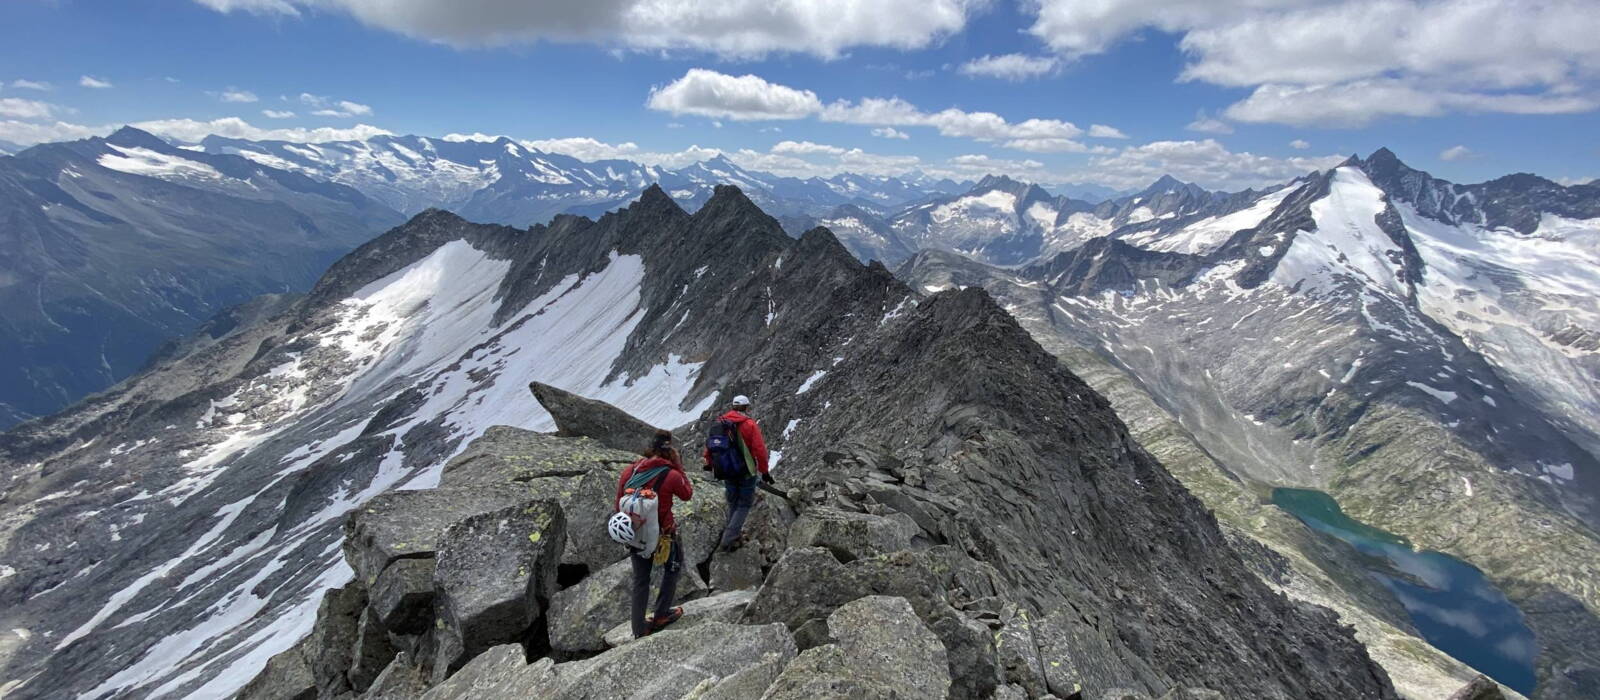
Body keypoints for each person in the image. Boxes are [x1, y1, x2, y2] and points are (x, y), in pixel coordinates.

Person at [615, 430, 692, 638]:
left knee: (641, 580)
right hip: (664, 534)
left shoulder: (630, 472)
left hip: (636, 534)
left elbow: (618, 505)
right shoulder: (672, 474)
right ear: (669, 451)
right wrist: (678, 466)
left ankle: (639, 629)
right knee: (672, 568)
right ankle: (661, 614)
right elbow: (687, 494)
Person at [704, 395, 772, 553]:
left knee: (733, 502)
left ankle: (733, 534)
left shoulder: (720, 422)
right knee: (744, 504)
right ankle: (728, 538)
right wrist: (765, 471)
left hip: (726, 470)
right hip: (745, 471)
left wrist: (709, 462)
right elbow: (759, 450)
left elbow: (711, 445)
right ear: (747, 407)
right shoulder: (749, 425)